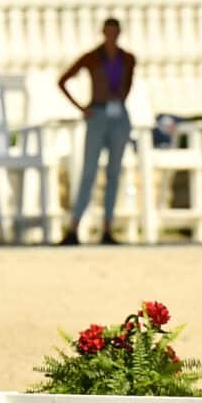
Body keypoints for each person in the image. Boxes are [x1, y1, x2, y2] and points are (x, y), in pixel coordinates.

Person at [56, 17, 136, 245]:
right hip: (98, 114)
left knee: (114, 172)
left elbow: (127, 85)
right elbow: (63, 80)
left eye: (115, 32)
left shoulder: (127, 58)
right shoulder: (92, 57)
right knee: (89, 172)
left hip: (119, 115)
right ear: (103, 32)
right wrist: (83, 107)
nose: (111, 36)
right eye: (108, 32)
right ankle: (74, 228)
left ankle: (108, 228)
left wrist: (118, 102)